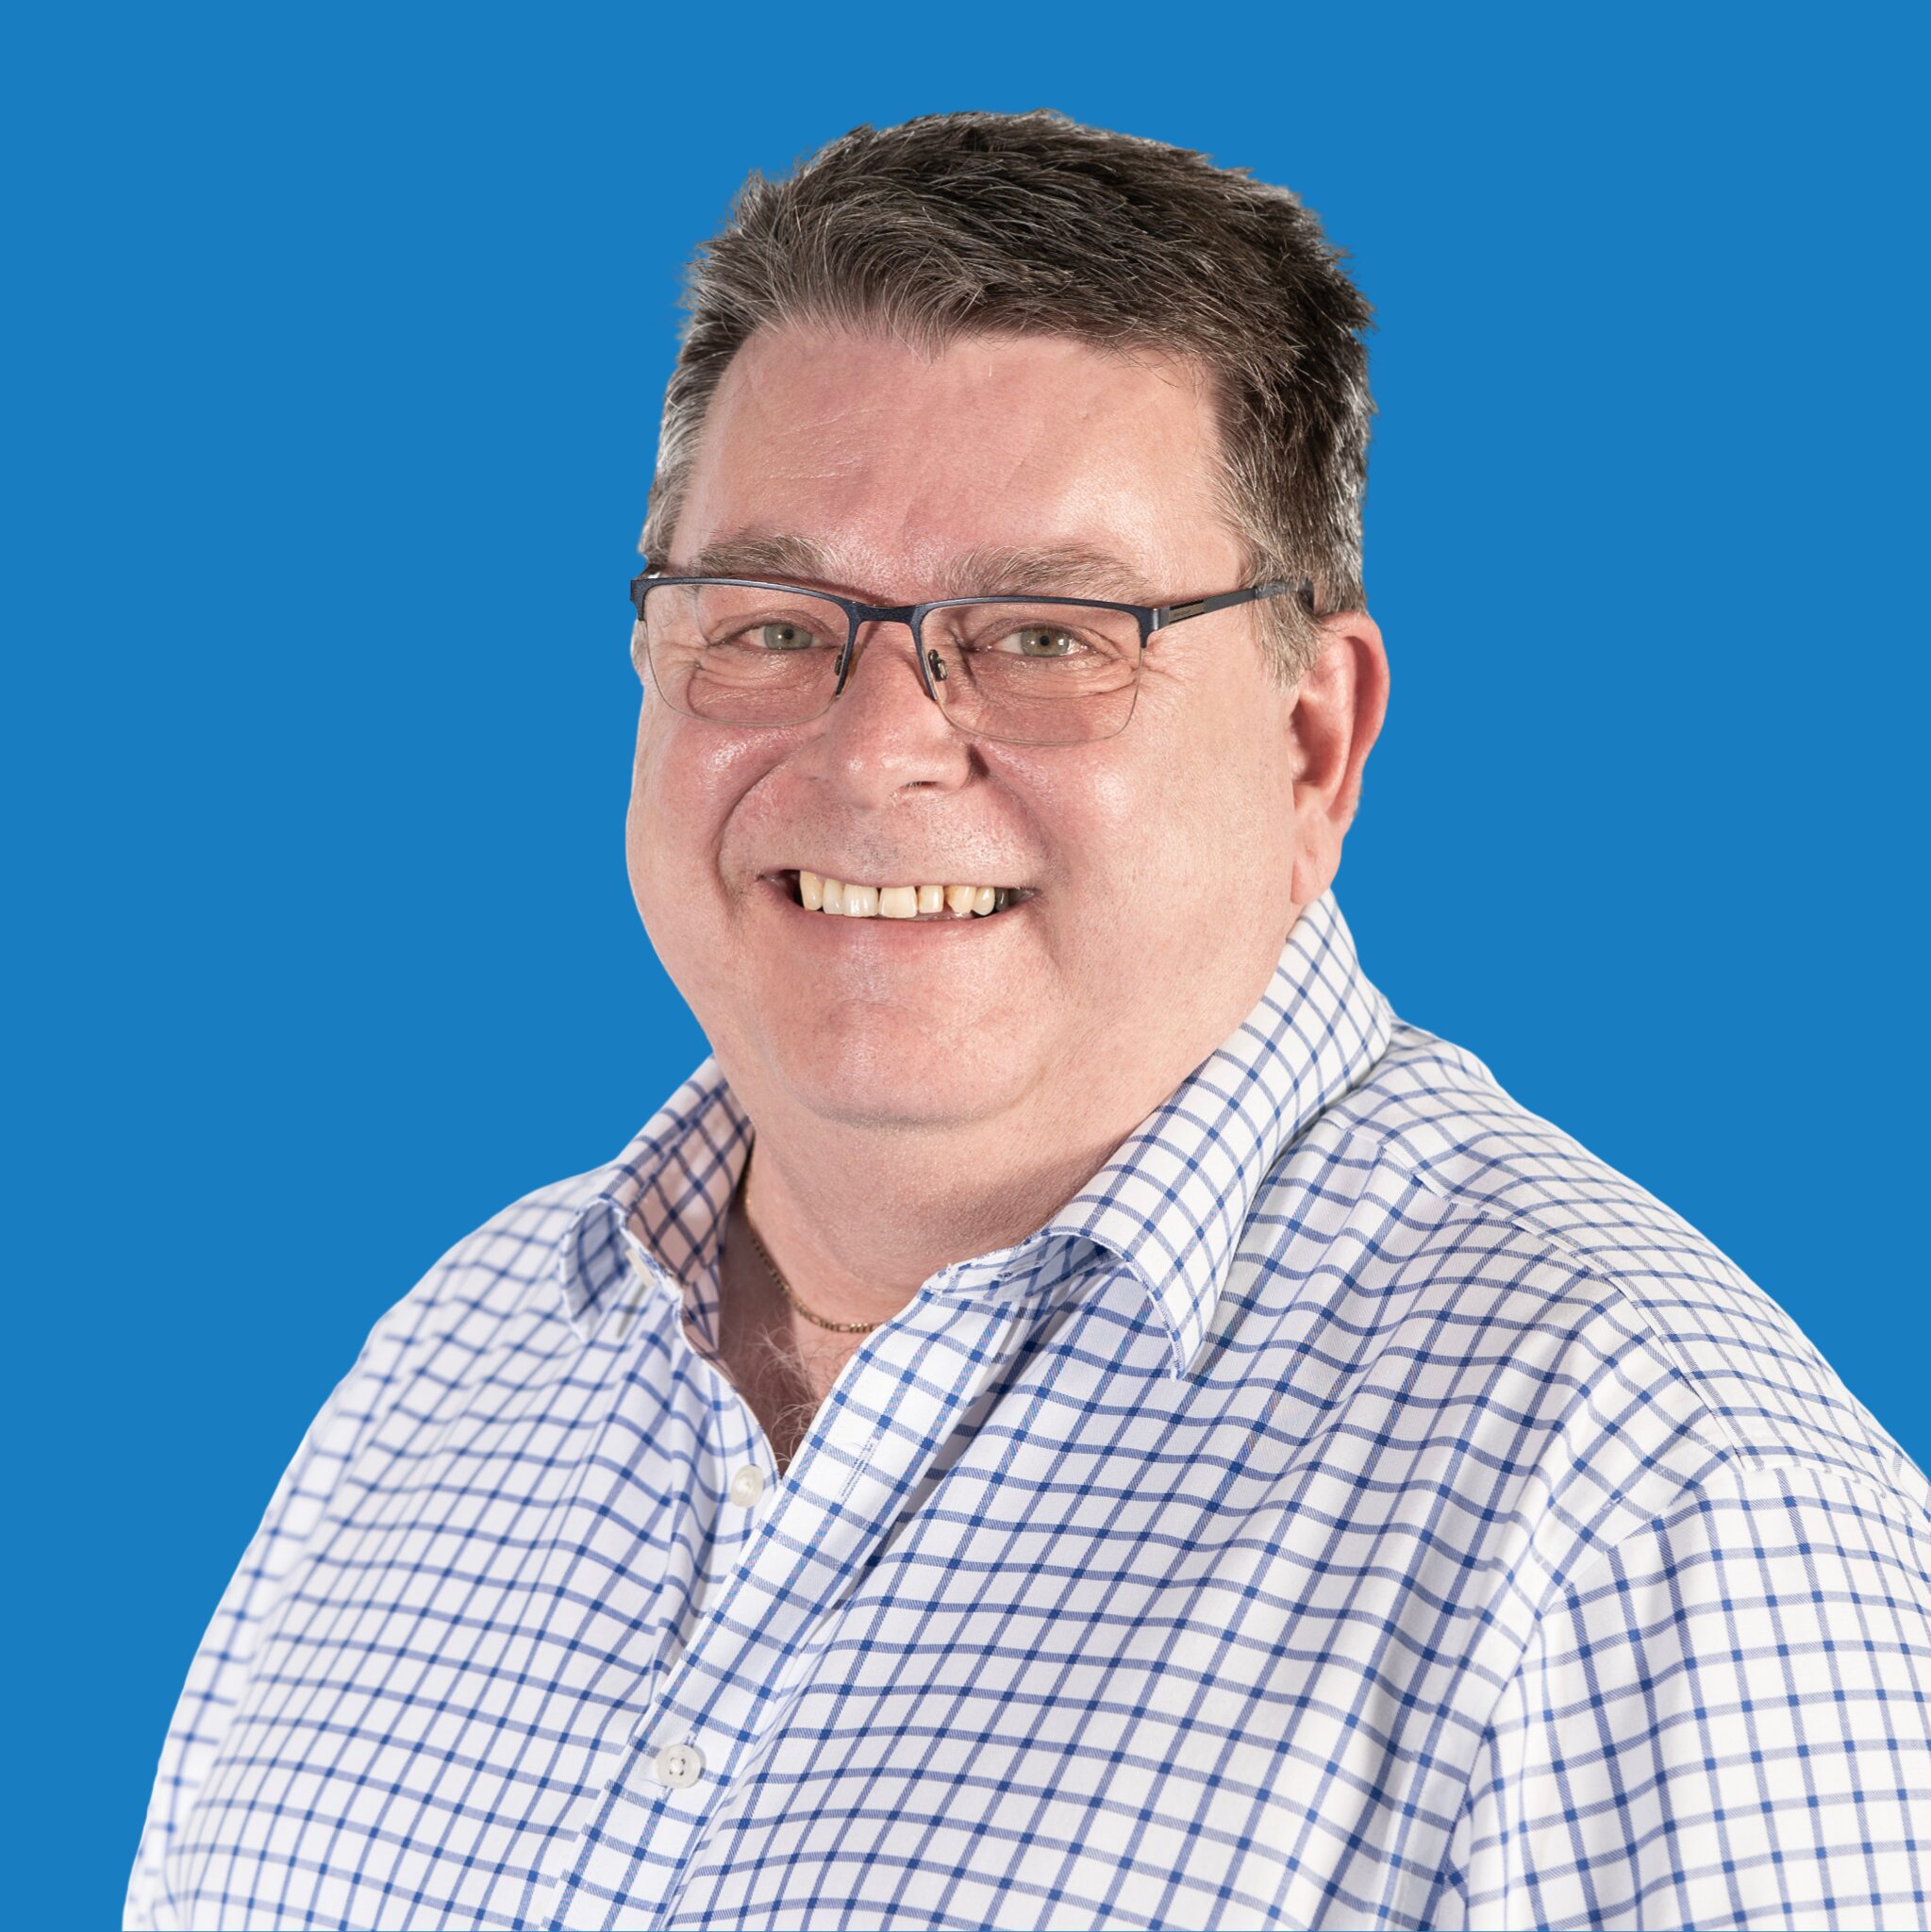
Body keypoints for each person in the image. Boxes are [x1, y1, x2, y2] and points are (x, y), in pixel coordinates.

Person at [126, 110, 1931, 1931]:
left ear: (1315, 741)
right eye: (767, 620)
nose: (877, 742)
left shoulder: (1654, 1502)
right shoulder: (453, 1370)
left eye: (1050, 636)